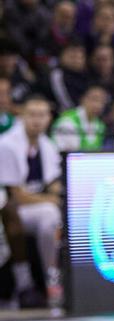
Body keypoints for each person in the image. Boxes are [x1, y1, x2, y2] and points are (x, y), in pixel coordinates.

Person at [0, 94, 64, 309]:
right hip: (10, 211)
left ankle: (53, 278)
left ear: (49, 118)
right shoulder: (7, 145)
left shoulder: (47, 144)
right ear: (22, 117)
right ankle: (43, 279)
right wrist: (51, 199)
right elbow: (16, 196)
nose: (37, 120)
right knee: (49, 212)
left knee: (52, 216)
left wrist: (57, 194)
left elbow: (53, 181)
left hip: (38, 209)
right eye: (32, 115)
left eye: (42, 115)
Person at [50, 84, 108, 152]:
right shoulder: (67, 121)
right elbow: (70, 152)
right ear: (83, 99)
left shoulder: (100, 125)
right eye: (94, 99)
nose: (98, 105)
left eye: (102, 101)